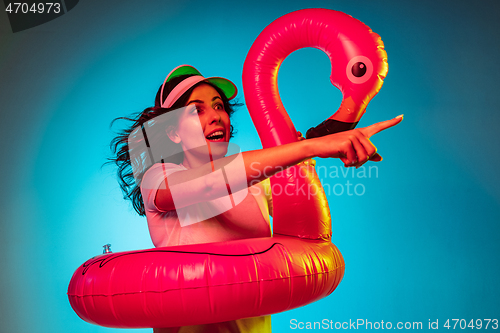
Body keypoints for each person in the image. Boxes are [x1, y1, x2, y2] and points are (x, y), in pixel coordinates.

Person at [109, 65, 402, 333]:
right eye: (196, 111)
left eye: (219, 106)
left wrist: (314, 148)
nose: (215, 116)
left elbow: (309, 236)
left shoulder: (256, 184)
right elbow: (210, 184)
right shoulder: (159, 178)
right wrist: (309, 149)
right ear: (173, 132)